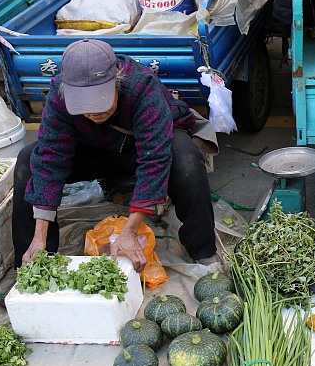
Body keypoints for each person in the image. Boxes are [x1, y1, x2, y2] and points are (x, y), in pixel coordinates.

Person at [12, 38, 217, 272]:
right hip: (90, 151)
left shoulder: (141, 85)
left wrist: (130, 231)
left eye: (101, 100)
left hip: (136, 149)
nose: (95, 111)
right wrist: (40, 234)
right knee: (29, 162)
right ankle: (33, 263)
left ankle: (203, 252)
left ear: (118, 79)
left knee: (186, 157)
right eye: (85, 105)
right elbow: (50, 160)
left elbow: (154, 159)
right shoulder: (59, 95)